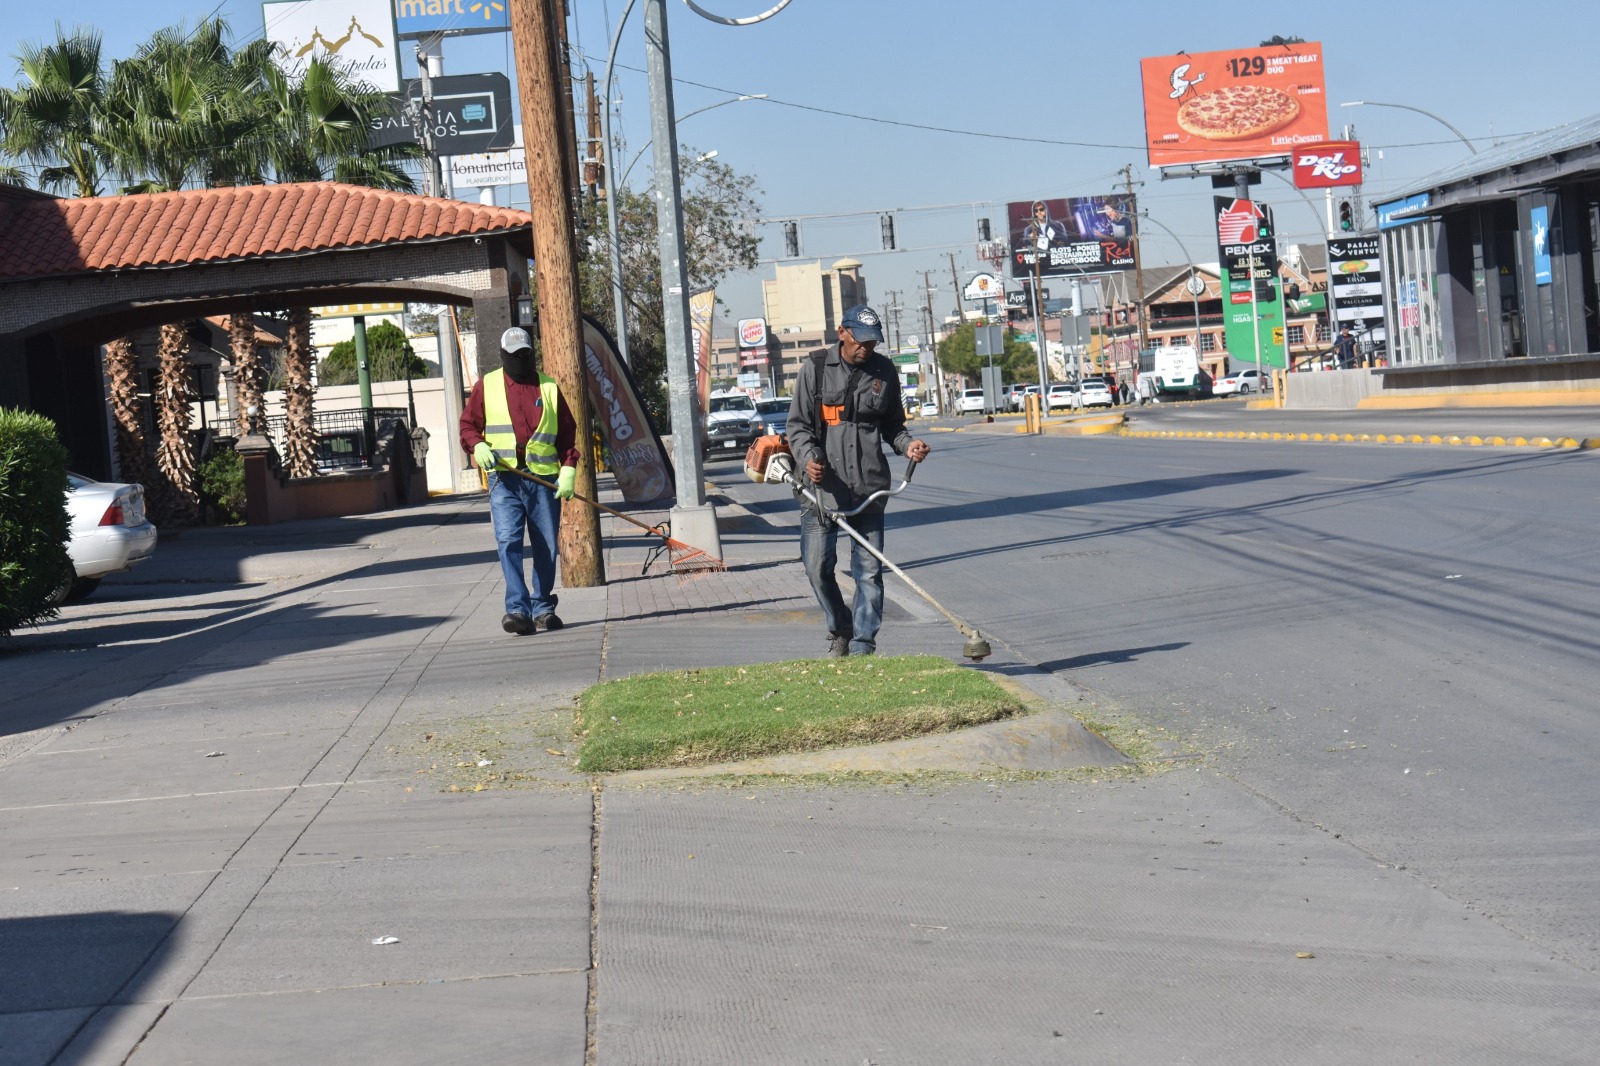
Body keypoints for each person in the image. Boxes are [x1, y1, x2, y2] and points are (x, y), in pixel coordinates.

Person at [786, 305, 931, 657]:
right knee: (818, 567)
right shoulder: (816, 368)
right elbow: (798, 427)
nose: (866, 349)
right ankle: (841, 627)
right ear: (842, 333)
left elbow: (893, 427)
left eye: (873, 343)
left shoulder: (884, 371)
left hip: (869, 490)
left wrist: (908, 445)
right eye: (861, 342)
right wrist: (808, 459)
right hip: (820, 491)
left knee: (868, 572)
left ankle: (864, 646)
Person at [460, 327, 579, 636]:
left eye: (525, 354)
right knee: (508, 542)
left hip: (543, 480)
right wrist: (478, 445)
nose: (520, 359)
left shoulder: (549, 388)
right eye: (514, 356)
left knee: (546, 545)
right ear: (503, 356)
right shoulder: (487, 386)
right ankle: (517, 609)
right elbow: (468, 426)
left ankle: (542, 608)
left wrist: (569, 467)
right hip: (505, 479)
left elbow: (567, 432)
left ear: (531, 353)